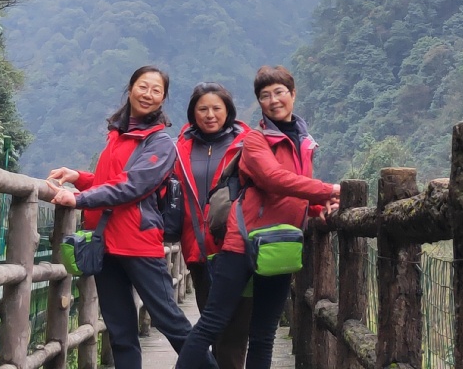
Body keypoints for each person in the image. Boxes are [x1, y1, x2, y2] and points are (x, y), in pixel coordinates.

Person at [47, 66, 213, 369]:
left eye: (156, 90)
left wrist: (80, 198)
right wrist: (80, 178)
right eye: (143, 87)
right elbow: (109, 181)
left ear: (163, 98)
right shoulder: (118, 134)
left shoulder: (160, 142)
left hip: (138, 243)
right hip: (106, 244)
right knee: (120, 331)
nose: (148, 94)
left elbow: (133, 186)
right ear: (131, 88)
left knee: (170, 321)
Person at [174, 65, 340, 369]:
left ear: (293, 94)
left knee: (264, 334)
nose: (273, 100)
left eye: (279, 92)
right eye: (265, 95)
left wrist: (320, 208)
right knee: (212, 322)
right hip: (242, 243)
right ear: (259, 102)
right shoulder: (254, 140)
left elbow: (297, 190)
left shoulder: (303, 142)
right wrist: (328, 190)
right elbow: (273, 178)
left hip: (281, 244)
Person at [175, 82, 252, 369]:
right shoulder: (181, 148)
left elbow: (273, 180)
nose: (210, 115)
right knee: (211, 325)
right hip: (197, 249)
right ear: (192, 113)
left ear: (228, 110)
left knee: (234, 331)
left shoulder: (246, 144)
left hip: (235, 247)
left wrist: (317, 203)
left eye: (216, 108)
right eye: (203, 109)